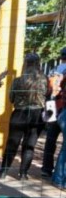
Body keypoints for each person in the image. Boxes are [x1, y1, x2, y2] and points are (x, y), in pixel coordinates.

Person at [0, 52, 47, 180]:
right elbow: (48, 96)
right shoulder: (45, 80)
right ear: (39, 64)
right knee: (29, 145)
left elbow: (11, 98)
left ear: (25, 64)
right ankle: (23, 174)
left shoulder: (18, 81)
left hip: (19, 114)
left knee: (12, 144)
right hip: (37, 115)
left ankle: (4, 171)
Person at [41, 47, 66, 177]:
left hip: (52, 106)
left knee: (50, 139)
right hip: (63, 107)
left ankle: (46, 168)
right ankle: (60, 173)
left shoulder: (53, 70)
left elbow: (47, 90)